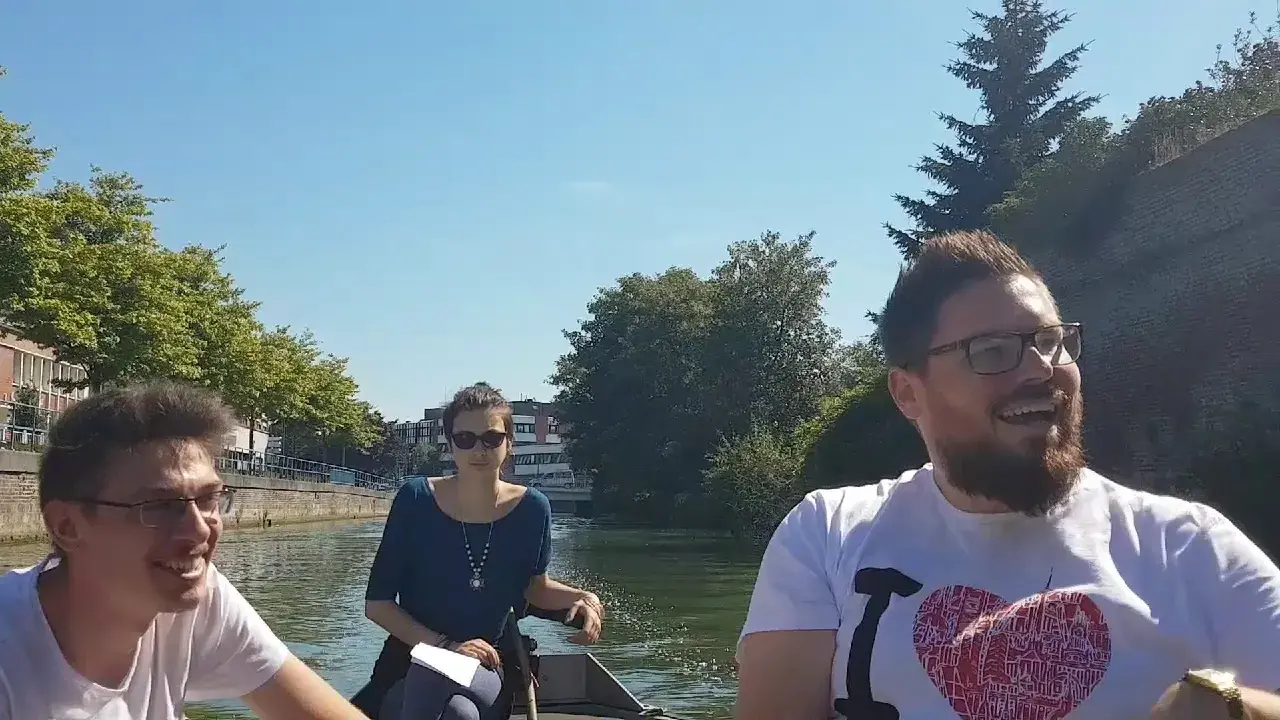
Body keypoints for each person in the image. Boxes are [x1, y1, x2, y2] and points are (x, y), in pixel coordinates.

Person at [735, 230, 1280, 720]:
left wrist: (1235, 708)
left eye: (1051, 342)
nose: (1042, 368)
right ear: (908, 393)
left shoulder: (1192, 546)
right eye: (992, 351)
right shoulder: (828, 532)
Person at [0, 381, 366, 719]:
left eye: (208, 499)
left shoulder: (198, 597)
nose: (199, 529)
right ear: (68, 526)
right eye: (158, 506)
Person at [354, 384, 604, 720]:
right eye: (465, 439)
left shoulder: (533, 509)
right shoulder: (415, 500)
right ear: (450, 445)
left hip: (487, 664)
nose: (479, 450)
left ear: (509, 443)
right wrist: (445, 646)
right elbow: (378, 605)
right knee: (457, 710)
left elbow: (535, 589)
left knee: (447, 696)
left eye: (491, 438)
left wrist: (583, 597)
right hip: (411, 660)